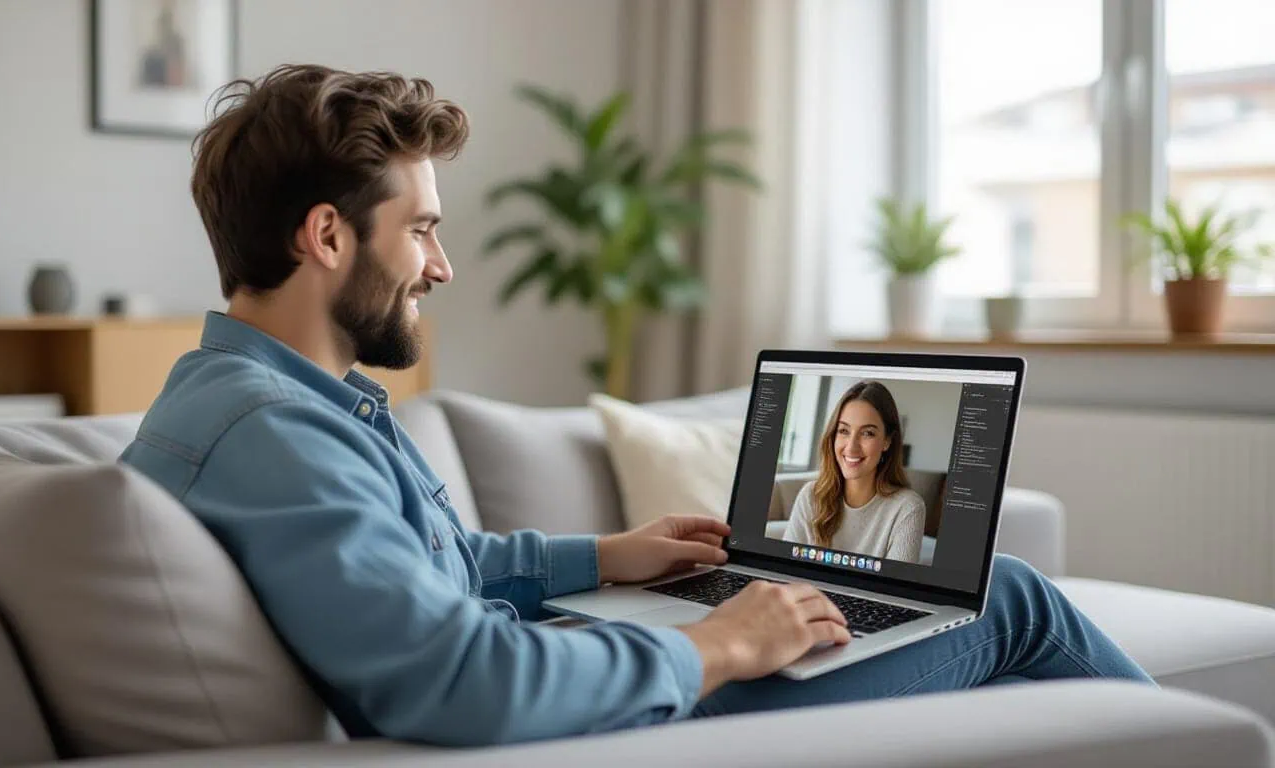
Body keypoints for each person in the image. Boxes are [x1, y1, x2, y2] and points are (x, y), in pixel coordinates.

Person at [120, 64, 1153, 748]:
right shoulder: (273, 436)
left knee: (1012, 699)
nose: (443, 265)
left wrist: (605, 557)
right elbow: (463, 677)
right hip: (603, 723)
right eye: (423, 229)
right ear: (328, 237)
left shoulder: (253, 398)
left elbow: (420, 571)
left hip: (594, 688)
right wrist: (723, 644)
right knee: (1009, 598)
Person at [782, 381, 926, 563]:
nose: (851, 447)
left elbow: (894, 589)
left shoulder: (907, 508)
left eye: (867, 433)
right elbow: (785, 573)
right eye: (843, 431)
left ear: (887, 441)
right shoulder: (811, 496)